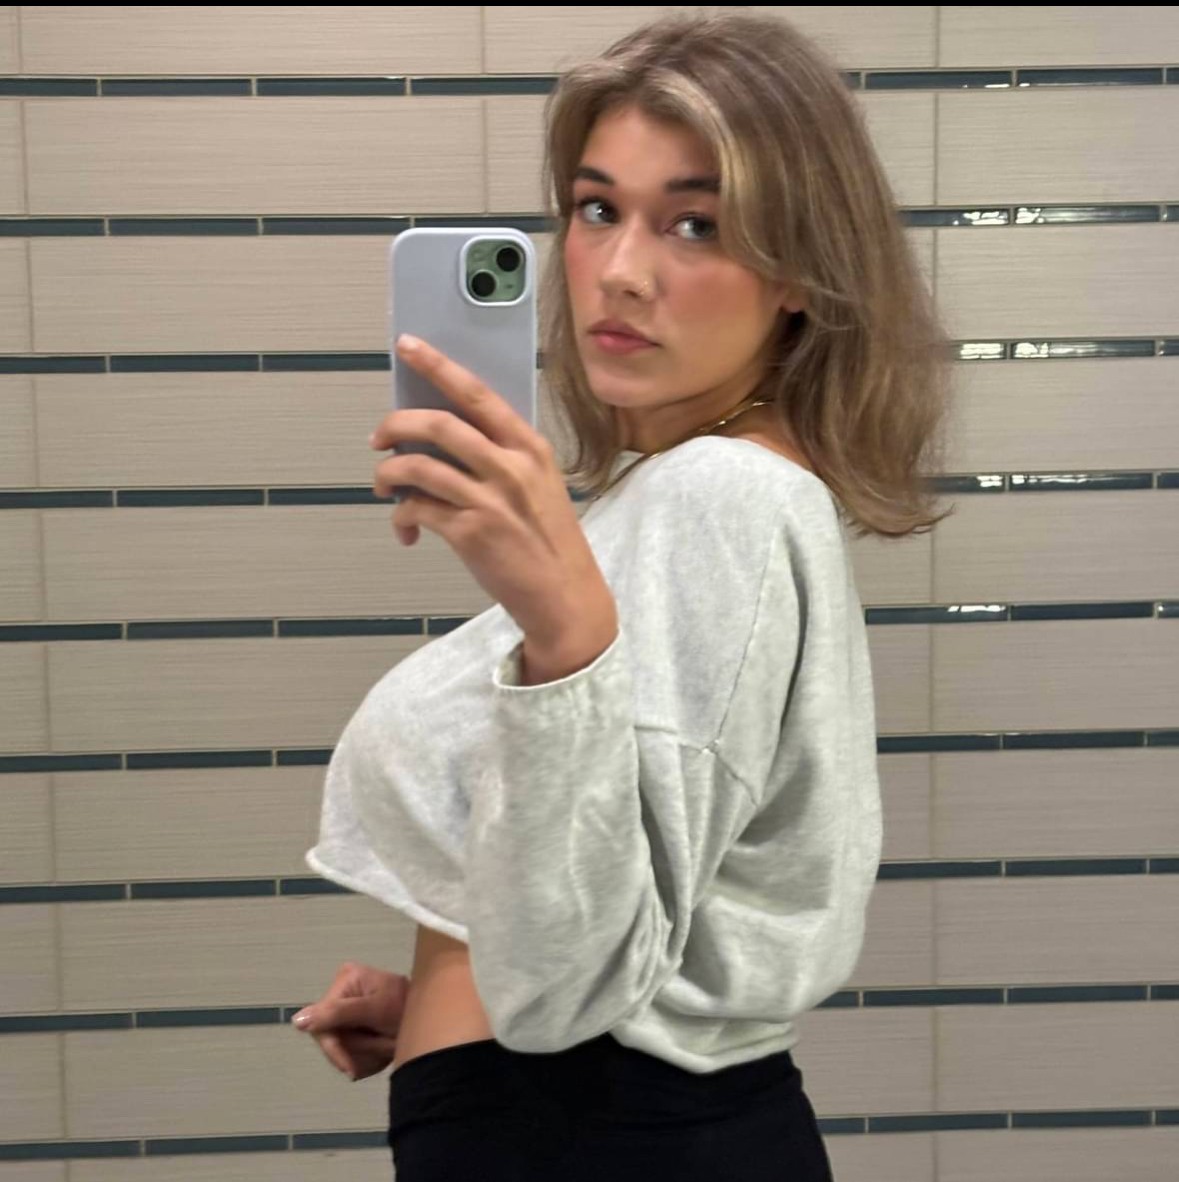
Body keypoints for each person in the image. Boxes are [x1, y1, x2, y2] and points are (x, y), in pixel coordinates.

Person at [294, 9, 948, 1181]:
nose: (622, 271)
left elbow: (568, 990)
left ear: (800, 273)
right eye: (597, 209)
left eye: (696, 224)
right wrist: (440, 999)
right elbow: (629, 921)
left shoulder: (721, 498)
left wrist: (565, 633)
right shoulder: (678, 498)